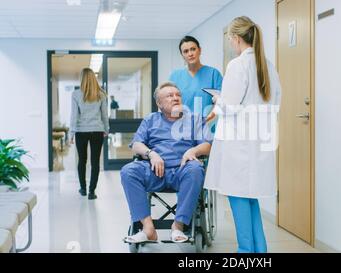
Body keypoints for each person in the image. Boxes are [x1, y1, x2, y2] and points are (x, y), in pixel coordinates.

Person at [204, 16, 282, 253]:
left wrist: (218, 99)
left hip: (238, 145)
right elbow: (275, 101)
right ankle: (260, 252)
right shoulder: (266, 65)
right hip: (258, 141)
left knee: (239, 197)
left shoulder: (237, 65)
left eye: (230, 40)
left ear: (236, 38)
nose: (230, 44)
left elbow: (230, 105)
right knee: (250, 199)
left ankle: (245, 252)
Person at [120, 82, 212, 243]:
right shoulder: (151, 120)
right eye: (170, 96)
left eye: (178, 95)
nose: (175, 98)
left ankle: (178, 226)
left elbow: (207, 145)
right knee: (128, 171)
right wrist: (151, 153)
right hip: (155, 170)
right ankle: (148, 229)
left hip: (183, 171)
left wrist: (193, 151)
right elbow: (136, 144)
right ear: (159, 103)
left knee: (196, 168)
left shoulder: (194, 120)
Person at [69, 68, 109, 200]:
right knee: (95, 162)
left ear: (82, 79)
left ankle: (83, 188)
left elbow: (74, 116)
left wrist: (71, 133)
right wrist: (106, 130)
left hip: (81, 131)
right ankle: (92, 191)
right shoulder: (101, 94)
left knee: (82, 160)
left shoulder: (76, 94)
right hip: (97, 130)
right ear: (93, 78)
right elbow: (104, 115)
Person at [169, 36, 223, 118]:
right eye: (186, 51)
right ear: (182, 55)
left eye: (193, 49)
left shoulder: (213, 74)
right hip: (182, 125)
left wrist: (207, 121)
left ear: (200, 50)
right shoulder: (175, 76)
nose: (190, 54)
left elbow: (220, 102)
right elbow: (171, 104)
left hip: (208, 125)